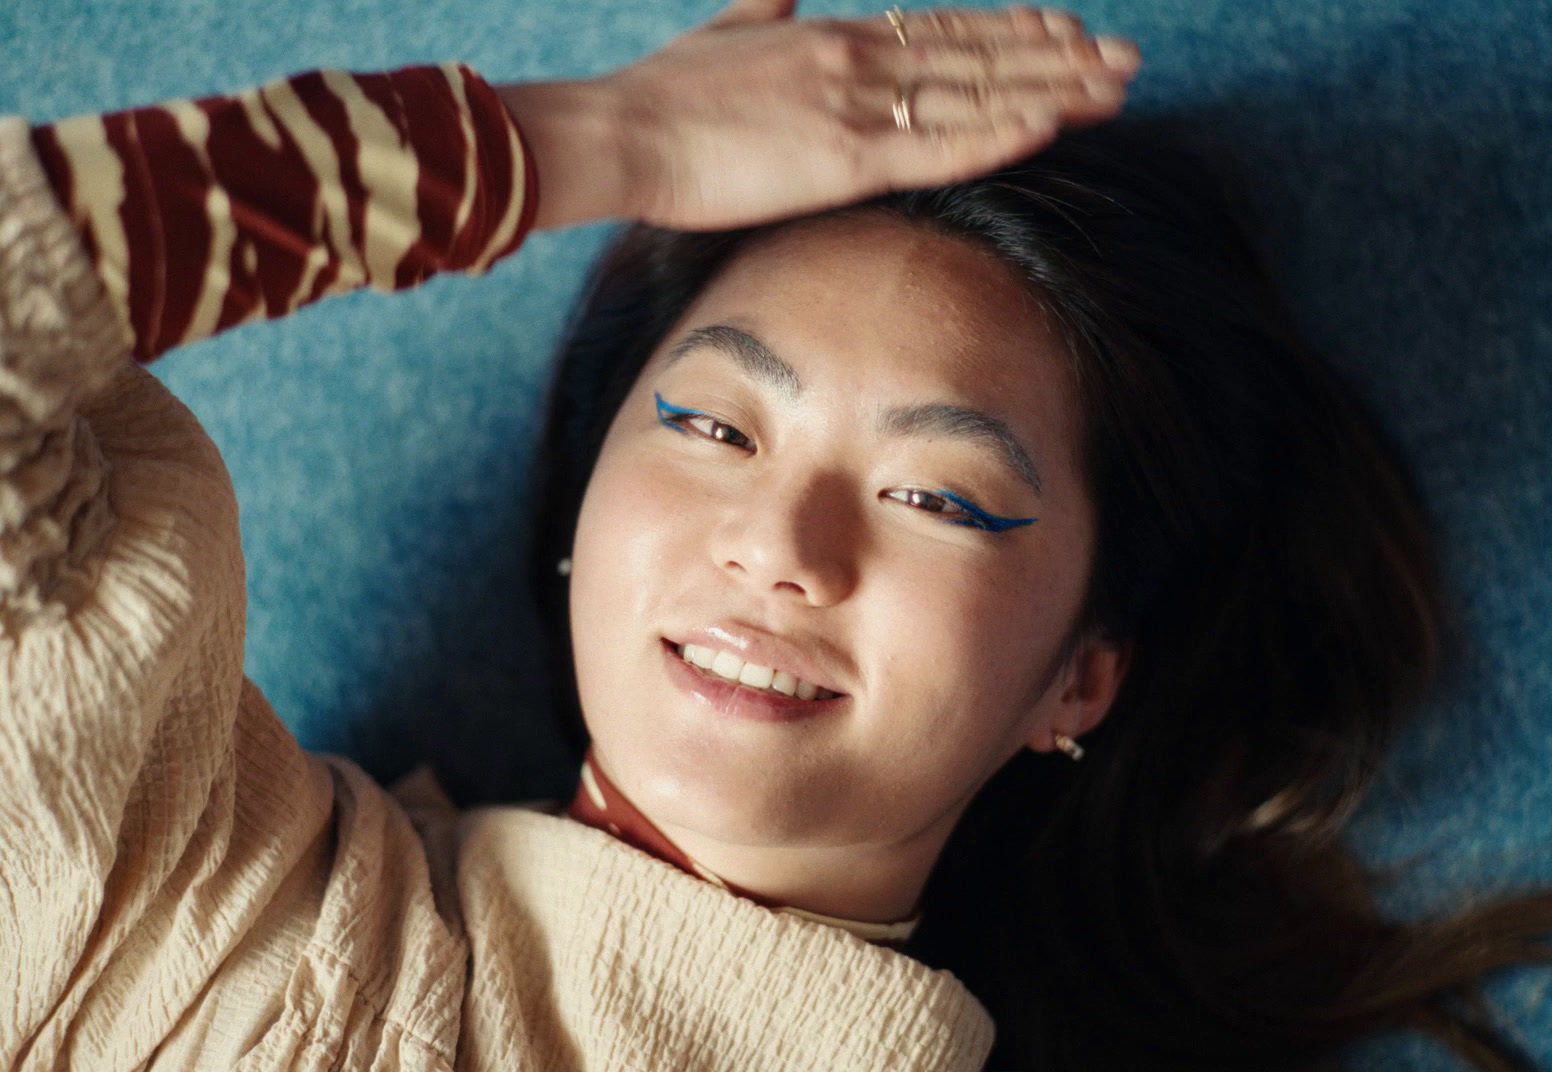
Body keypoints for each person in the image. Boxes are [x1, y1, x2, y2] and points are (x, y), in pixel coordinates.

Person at [1, 1, 1548, 1071]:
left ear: (1080, 677)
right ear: (583, 507)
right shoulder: (196, 884)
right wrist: (593, 144)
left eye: (937, 495)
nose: (783, 546)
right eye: (714, 427)